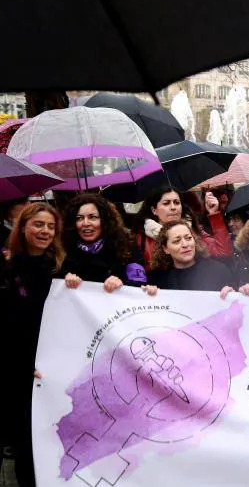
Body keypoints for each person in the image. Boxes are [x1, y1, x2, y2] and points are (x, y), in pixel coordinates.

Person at [1, 203, 65, 487]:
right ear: (23, 227)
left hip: (48, 370)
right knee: (15, 440)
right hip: (14, 368)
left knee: (42, 441)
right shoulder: (5, 267)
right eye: (38, 224)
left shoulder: (62, 269)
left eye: (51, 226)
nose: (45, 231)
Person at [60, 194, 147, 292]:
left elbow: (139, 282)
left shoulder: (127, 245)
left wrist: (122, 283)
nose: (85, 223)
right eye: (79, 218)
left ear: (104, 220)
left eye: (92, 217)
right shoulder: (65, 250)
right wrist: (65, 279)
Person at [134, 187, 231, 271]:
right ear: (154, 210)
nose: (173, 207)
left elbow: (223, 252)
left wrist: (214, 214)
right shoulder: (142, 238)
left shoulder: (193, 229)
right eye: (166, 203)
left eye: (177, 202)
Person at [145, 220, 236, 295]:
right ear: (166, 249)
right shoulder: (157, 280)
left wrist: (236, 293)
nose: (185, 244)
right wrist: (147, 296)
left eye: (188, 238)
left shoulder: (219, 270)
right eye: (177, 241)